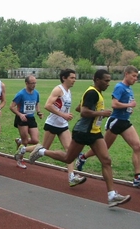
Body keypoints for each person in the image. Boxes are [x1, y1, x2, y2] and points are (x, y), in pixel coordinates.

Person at [27, 69, 131, 207]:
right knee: (68, 158)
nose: (108, 83)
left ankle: (112, 195)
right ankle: (41, 151)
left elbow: (78, 108)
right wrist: (101, 113)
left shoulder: (96, 93)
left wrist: (94, 112)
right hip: (83, 132)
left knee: (106, 160)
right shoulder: (92, 92)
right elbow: (83, 112)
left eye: (109, 81)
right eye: (106, 81)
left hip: (95, 132)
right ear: (97, 80)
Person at [76, 65, 140, 187]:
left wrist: (129, 108)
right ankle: (83, 157)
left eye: (137, 76)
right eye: (133, 76)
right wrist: (128, 105)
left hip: (125, 122)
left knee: (137, 146)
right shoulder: (120, 87)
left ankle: (137, 177)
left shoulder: (129, 88)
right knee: (104, 148)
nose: (136, 79)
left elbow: (126, 104)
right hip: (116, 122)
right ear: (126, 74)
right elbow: (114, 104)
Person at [17, 69, 86, 186]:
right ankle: (23, 149)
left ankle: (71, 177)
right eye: (72, 78)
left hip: (63, 125)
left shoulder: (68, 91)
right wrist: (63, 115)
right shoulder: (58, 89)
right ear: (64, 78)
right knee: (43, 147)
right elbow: (47, 105)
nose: (74, 80)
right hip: (52, 124)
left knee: (70, 151)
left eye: (75, 78)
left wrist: (65, 116)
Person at [9, 75, 43, 169]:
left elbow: (37, 103)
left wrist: (39, 112)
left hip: (31, 118)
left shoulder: (36, 93)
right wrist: (20, 114)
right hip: (22, 118)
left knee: (35, 140)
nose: (34, 85)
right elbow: (11, 106)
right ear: (26, 83)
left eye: (35, 83)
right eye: (32, 83)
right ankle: (19, 160)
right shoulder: (21, 94)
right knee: (25, 141)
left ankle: (19, 141)